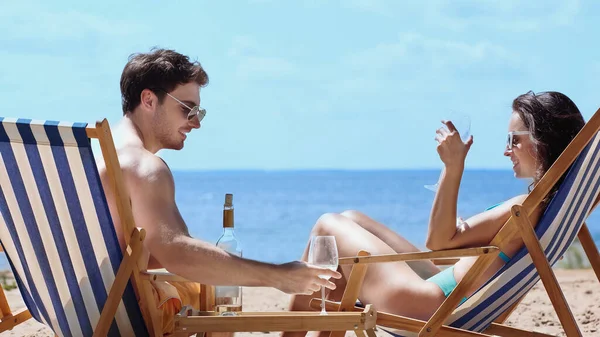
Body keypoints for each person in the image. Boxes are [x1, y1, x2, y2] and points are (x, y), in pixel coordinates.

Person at [283, 91, 585, 337]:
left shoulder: (524, 208)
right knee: (352, 218)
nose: (507, 151)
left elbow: (438, 243)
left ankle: (291, 335)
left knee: (328, 225)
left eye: (514, 140)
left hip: (424, 305)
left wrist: (453, 167)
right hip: (442, 290)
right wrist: (460, 241)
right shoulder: (542, 207)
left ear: (543, 140)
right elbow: (446, 255)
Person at [97, 48, 340, 335]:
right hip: (118, 315)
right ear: (149, 99)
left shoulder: (90, 154)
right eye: (187, 109)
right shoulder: (144, 168)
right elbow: (177, 252)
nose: (196, 122)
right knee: (212, 290)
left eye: (199, 112)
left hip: (81, 307)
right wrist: (278, 276)